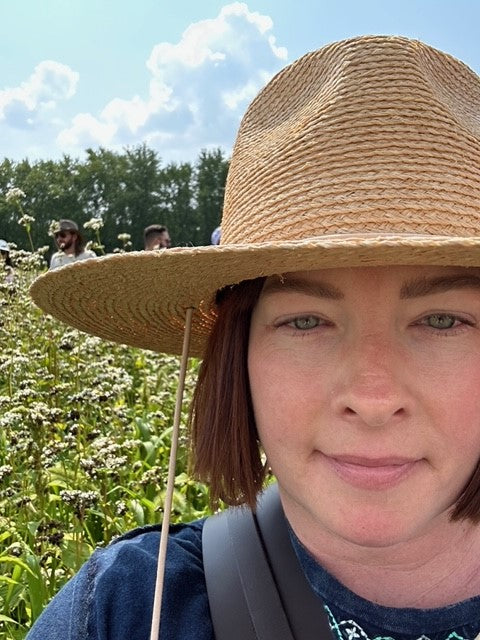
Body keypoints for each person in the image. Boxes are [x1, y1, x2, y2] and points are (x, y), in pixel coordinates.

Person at [28, 35, 480, 639]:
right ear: (235, 353)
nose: (373, 399)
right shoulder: (130, 611)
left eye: (442, 320)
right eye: (305, 321)